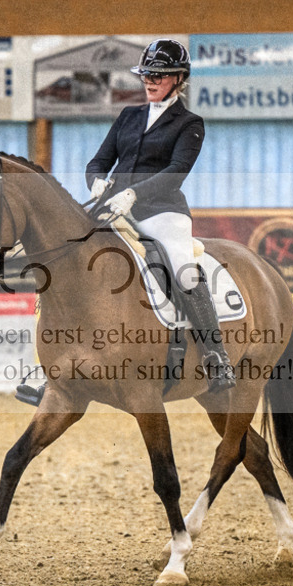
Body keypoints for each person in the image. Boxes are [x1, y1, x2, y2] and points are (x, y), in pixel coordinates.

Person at [85, 38, 235, 393]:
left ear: (179, 78)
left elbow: (176, 171)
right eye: (146, 75)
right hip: (113, 207)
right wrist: (96, 182)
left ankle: (216, 356)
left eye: (159, 75)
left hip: (162, 211)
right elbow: (99, 161)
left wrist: (133, 193)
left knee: (183, 269)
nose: (150, 81)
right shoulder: (128, 116)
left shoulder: (189, 123)